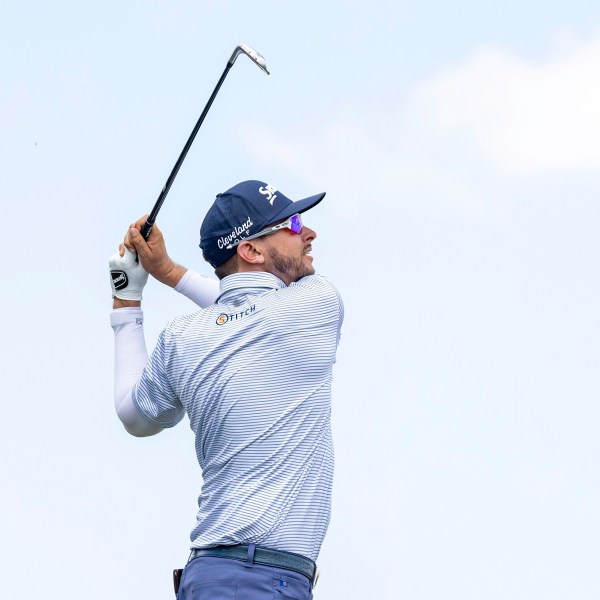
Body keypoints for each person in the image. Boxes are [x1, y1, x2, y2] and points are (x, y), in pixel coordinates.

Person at [109, 180, 344, 599]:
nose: (307, 232)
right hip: (259, 579)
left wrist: (128, 298)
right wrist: (169, 273)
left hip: (213, 575)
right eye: (290, 223)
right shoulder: (316, 300)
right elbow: (249, 313)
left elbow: (134, 415)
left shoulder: (182, 337)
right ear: (250, 250)